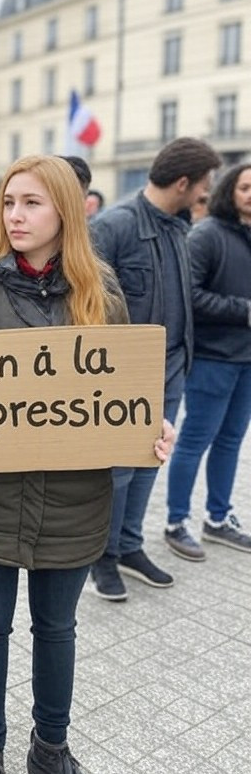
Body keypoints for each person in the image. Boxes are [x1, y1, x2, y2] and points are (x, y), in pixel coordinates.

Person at [0, 154, 174, 774]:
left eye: (31, 202)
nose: (16, 215)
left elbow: (119, 392)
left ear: (65, 210)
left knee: (57, 630)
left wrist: (147, 428)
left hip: (74, 503)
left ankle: (50, 747)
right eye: (8, 202)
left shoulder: (102, 294)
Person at [88, 137, 221, 601]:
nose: (206, 195)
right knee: (118, 472)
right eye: (203, 186)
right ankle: (101, 559)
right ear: (183, 183)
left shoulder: (178, 226)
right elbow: (86, 306)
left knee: (149, 463)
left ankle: (128, 548)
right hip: (125, 377)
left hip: (170, 372)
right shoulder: (114, 225)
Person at [165, 163, 251, 560]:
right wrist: (244, 311)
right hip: (213, 359)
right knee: (194, 442)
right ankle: (176, 521)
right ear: (229, 191)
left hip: (247, 360)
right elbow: (190, 296)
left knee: (231, 441)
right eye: (245, 187)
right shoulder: (207, 235)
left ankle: (217, 519)